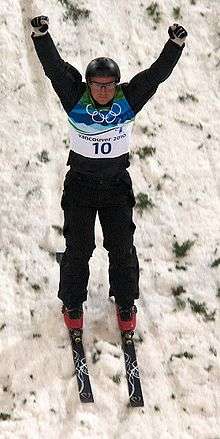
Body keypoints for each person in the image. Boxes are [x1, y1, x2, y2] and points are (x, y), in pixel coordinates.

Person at [31, 16, 187, 332]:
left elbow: (154, 76)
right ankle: (72, 303)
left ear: (116, 84)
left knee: (121, 247)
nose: (103, 91)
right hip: (81, 186)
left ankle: (126, 303)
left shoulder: (127, 100)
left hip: (116, 185)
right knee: (79, 247)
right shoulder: (75, 98)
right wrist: (41, 36)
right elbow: (54, 70)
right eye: (97, 85)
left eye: (108, 85)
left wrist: (174, 45)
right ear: (88, 84)